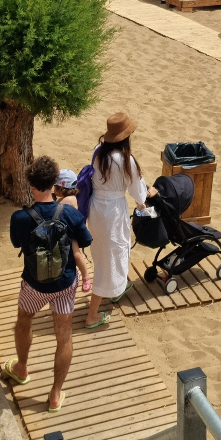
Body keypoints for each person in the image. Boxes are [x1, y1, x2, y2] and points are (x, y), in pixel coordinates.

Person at [4, 155, 93, 412]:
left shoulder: (20, 218)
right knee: (64, 337)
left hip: (34, 284)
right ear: (55, 184)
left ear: (31, 185)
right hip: (65, 284)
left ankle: (21, 368)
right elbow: (85, 240)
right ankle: (55, 394)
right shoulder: (70, 213)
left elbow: (17, 243)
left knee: (24, 321)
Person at [84, 114, 148, 329]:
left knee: (104, 254)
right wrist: (144, 204)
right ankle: (92, 315)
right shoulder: (126, 160)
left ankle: (115, 289)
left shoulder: (98, 152)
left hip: (96, 209)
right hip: (113, 212)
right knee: (111, 258)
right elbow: (137, 192)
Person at [54, 169, 93, 293]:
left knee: (76, 254)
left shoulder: (68, 200)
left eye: (55, 186)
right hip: (68, 230)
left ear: (61, 188)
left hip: (70, 233)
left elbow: (55, 210)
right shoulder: (71, 197)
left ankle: (85, 276)